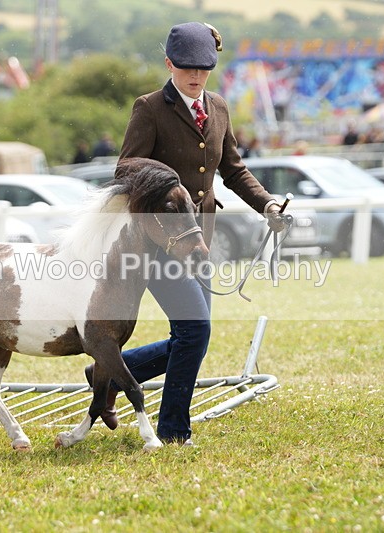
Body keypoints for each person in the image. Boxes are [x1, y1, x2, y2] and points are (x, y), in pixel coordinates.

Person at [84, 22, 285, 447]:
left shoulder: (220, 108)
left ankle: (112, 370)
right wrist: (169, 184)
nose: (195, 77)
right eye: (187, 68)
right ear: (169, 64)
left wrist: (266, 203)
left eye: (204, 69)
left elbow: (233, 170)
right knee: (195, 332)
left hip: (200, 241)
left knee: (191, 336)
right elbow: (125, 168)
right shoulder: (149, 107)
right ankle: (174, 430)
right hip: (157, 242)